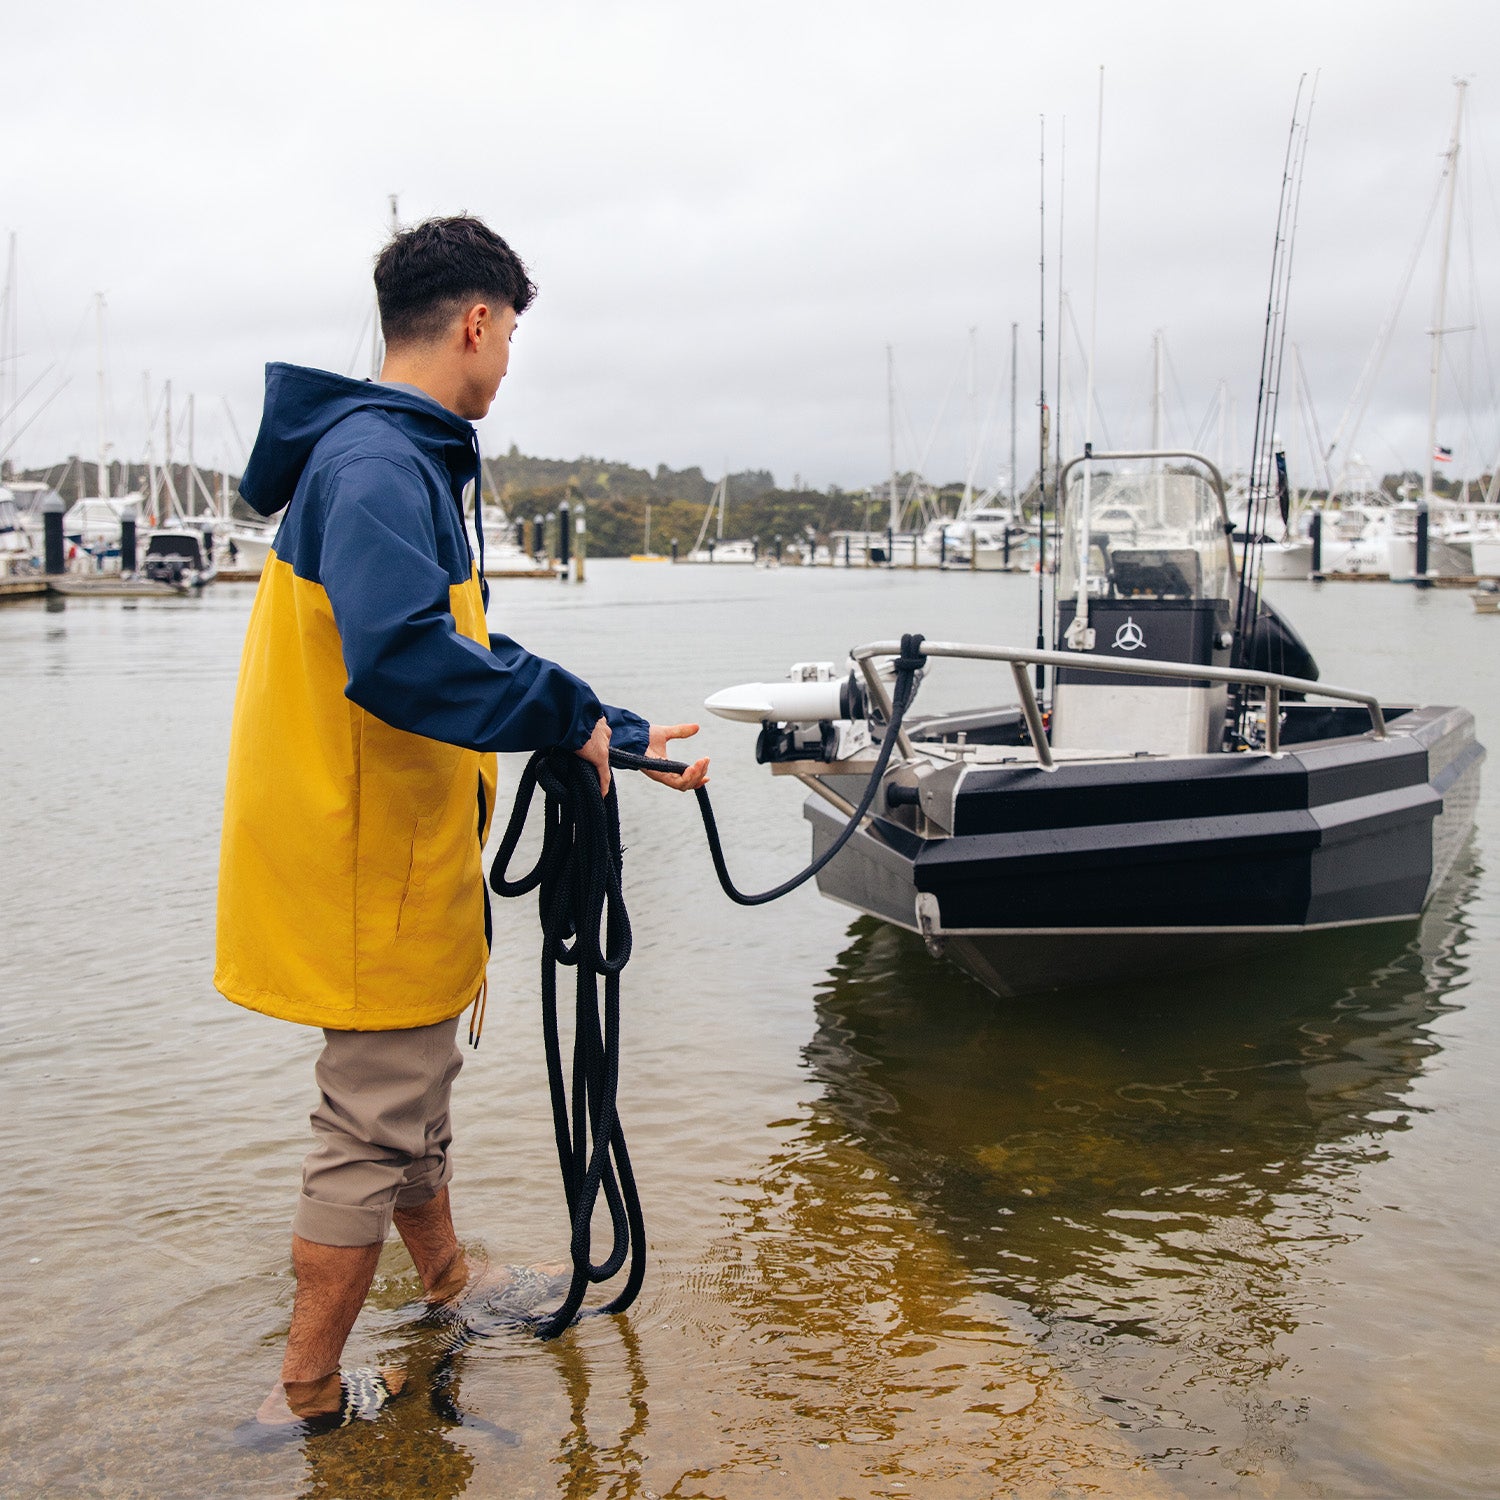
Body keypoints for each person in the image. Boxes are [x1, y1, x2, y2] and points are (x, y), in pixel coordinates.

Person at [216, 214, 708, 1429]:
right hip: (365, 859)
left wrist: (607, 728)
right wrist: (560, 717)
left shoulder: (387, 455)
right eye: (511, 337)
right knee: (370, 1119)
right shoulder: (380, 465)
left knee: (411, 1098)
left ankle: (444, 1282)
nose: (507, 363)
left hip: (392, 854)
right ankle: (305, 1396)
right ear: (478, 323)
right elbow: (397, 659)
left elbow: (462, 649)